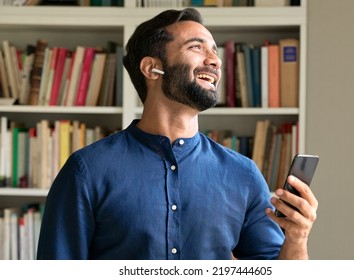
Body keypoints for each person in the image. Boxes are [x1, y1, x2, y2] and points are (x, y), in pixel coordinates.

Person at [37, 7, 317, 260]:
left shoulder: (243, 173)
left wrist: (297, 238)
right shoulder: (87, 170)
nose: (215, 61)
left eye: (215, 51)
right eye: (197, 47)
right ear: (152, 68)